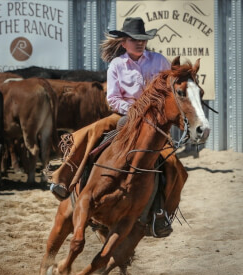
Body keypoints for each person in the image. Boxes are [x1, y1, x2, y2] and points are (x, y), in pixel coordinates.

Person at [48, 17, 187, 237]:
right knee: (94, 131)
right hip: (124, 116)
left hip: (154, 124)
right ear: (124, 42)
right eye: (134, 39)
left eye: (143, 39)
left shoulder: (159, 61)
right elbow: (112, 99)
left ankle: (160, 212)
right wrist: (134, 109)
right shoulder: (117, 65)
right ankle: (64, 177)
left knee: (173, 165)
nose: (140, 43)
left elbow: (171, 89)